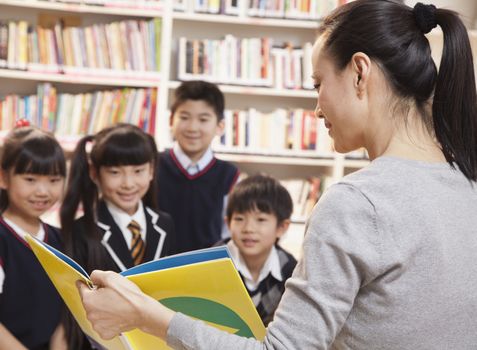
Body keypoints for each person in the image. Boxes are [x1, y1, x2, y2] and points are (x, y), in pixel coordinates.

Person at [78, 1, 477, 348]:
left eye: (318, 84)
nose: (317, 110)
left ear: (359, 73)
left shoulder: (358, 203)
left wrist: (147, 316)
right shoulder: (467, 186)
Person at [60, 123, 175, 349]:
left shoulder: (165, 224)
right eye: (115, 172)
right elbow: (76, 310)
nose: (128, 183)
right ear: (95, 173)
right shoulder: (81, 230)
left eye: (138, 171)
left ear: (152, 170)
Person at [0, 126, 67, 350]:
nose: (43, 191)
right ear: (3, 178)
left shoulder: (60, 239)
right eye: (30, 179)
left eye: (54, 180)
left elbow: (66, 310)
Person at [157, 80, 239, 255]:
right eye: (184, 117)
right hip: (153, 265)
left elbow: (229, 233)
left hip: (206, 269)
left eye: (203, 119)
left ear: (220, 126)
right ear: (171, 120)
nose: (193, 128)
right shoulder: (151, 166)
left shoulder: (229, 176)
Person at [215, 174, 297, 326]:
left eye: (260, 220)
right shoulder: (211, 262)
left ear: (281, 227)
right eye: (239, 219)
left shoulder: (291, 270)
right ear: (228, 223)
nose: (249, 229)